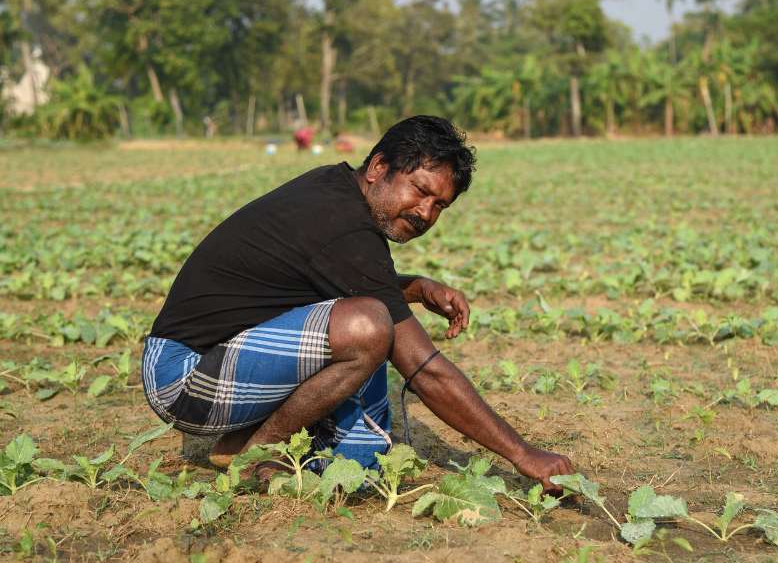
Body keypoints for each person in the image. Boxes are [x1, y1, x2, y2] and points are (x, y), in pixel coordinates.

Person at [142, 115, 572, 487]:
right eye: (419, 190)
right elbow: (425, 370)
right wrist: (522, 453)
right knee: (367, 325)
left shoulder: (335, 189)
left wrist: (417, 287)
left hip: (216, 359)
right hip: (182, 378)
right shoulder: (342, 227)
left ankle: (270, 439)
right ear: (379, 167)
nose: (425, 212)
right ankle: (256, 450)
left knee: (359, 444)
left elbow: (342, 281)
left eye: (439, 204)